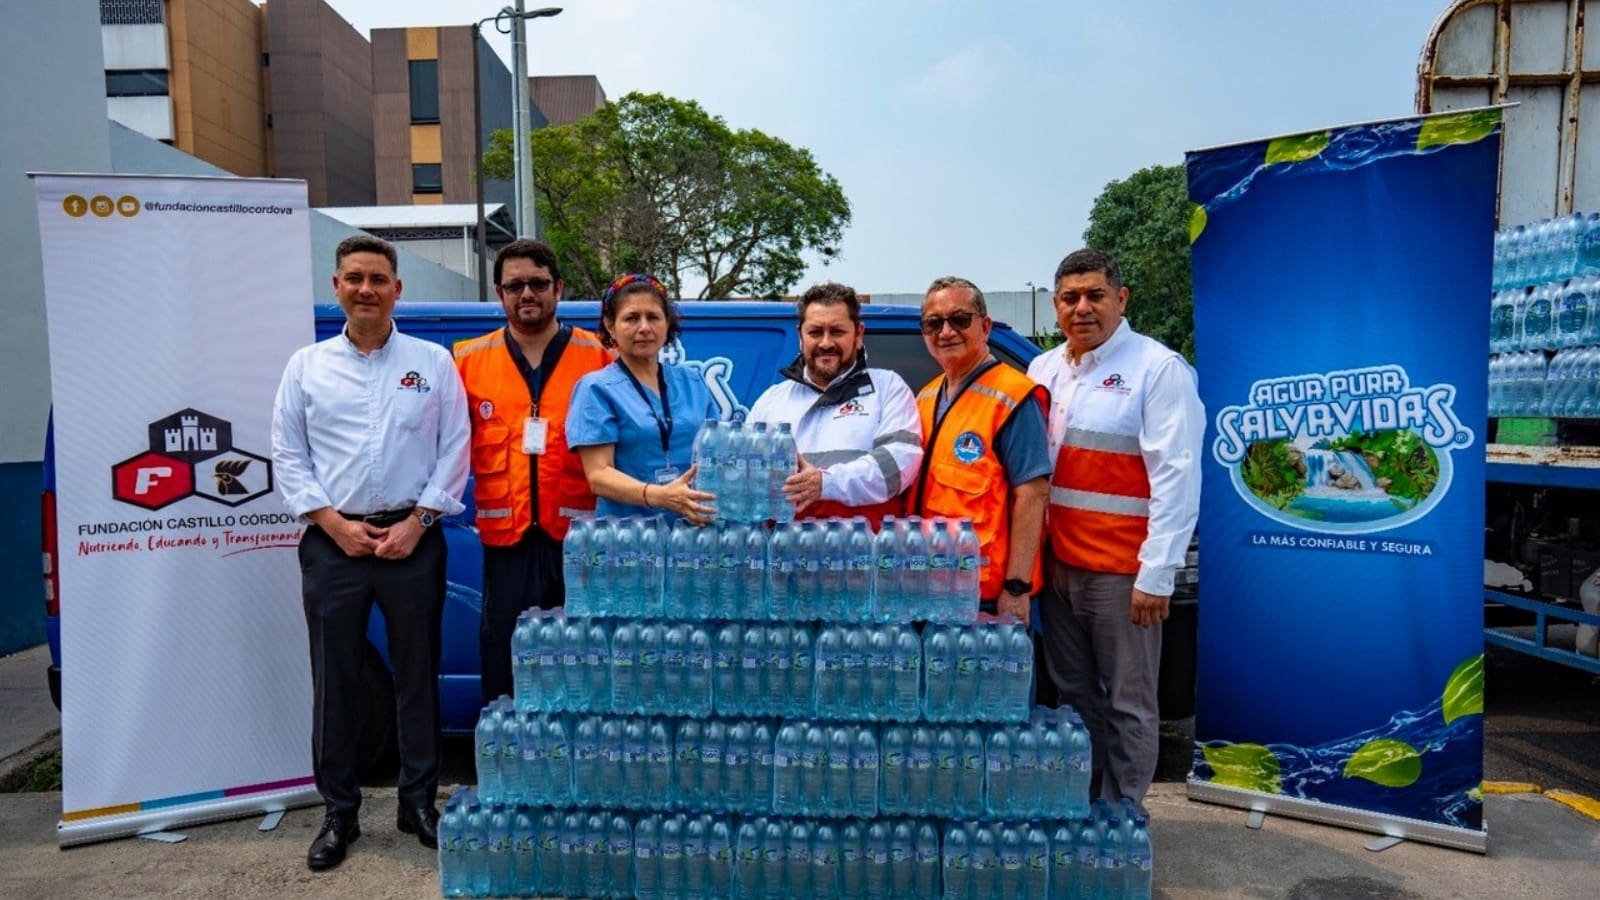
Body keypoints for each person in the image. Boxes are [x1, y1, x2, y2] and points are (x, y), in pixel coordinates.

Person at [270, 235, 470, 870]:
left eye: (378, 278)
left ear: (397, 289)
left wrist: (419, 519)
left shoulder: (433, 363)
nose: (365, 289)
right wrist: (332, 523)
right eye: (353, 277)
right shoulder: (305, 366)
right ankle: (340, 812)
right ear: (335, 286)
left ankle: (417, 803)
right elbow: (287, 454)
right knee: (337, 681)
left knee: (418, 675)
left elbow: (455, 447)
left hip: (414, 539)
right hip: (333, 544)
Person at [1027, 248, 1203, 811]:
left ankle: (1124, 818)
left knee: (1128, 701)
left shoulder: (1157, 368)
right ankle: (1086, 808)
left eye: (1095, 295)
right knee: (1076, 698)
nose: (1082, 308)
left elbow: (1177, 476)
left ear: (1121, 299)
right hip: (1059, 571)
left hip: (1122, 577)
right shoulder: (1044, 369)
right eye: (1071, 298)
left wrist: (1158, 573)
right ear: (1056, 306)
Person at [453, 240, 612, 704]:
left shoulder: (599, 357)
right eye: (514, 285)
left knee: (582, 655)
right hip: (506, 542)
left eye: (538, 283)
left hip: (580, 541)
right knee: (505, 655)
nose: (527, 293)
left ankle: (578, 762)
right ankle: (512, 757)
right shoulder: (465, 360)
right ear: (499, 294)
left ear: (558, 288)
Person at [905, 276, 1051, 623]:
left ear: (984, 326)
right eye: (933, 323)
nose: (946, 331)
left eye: (959, 319)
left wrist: (1017, 588)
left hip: (986, 597)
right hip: (933, 589)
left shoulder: (1013, 396)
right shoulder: (925, 397)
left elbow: (1033, 494)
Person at [746, 281, 922, 525]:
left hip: (863, 554)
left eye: (837, 331)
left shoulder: (888, 388)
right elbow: (743, 475)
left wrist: (825, 483)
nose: (826, 343)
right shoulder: (772, 400)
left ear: (858, 334)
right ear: (800, 336)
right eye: (815, 332)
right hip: (786, 556)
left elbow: (897, 466)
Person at [568, 274, 719, 523]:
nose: (644, 328)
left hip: (694, 535)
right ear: (609, 325)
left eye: (653, 317)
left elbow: (717, 454)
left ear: (667, 322)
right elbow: (598, 476)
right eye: (631, 318)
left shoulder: (693, 382)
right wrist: (659, 495)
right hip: (631, 540)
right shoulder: (596, 389)